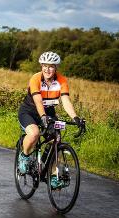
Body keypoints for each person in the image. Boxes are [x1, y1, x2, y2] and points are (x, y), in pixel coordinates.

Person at [17, 51, 85, 188]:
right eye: (45, 66)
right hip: (29, 112)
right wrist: (43, 117)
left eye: (51, 66)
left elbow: (65, 101)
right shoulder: (35, 78)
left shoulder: (61, 81)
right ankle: (24, 157)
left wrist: (76, 118)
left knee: (56, 140)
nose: (48, 70)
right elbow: (37, 101)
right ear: (41, 66)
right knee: (34, 133)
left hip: (49, 112)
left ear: (56, 68)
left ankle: (54, 176)